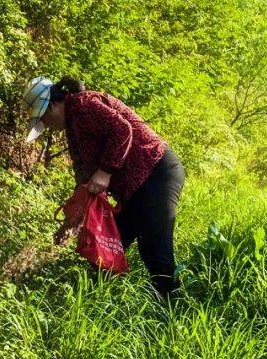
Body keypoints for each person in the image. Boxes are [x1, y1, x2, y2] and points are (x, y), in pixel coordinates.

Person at [23, 76, 185, 297]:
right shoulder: (73, 126)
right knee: (105, 248)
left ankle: (174, 310)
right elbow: (84, 176)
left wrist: (106, 171)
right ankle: (97, 305)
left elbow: (122, 130)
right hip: (135, 190)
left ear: (52, 106)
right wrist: (75, 218)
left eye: (44, 119)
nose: (47, 126)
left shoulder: (83, 105)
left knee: (155, 250)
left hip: (156, 173)